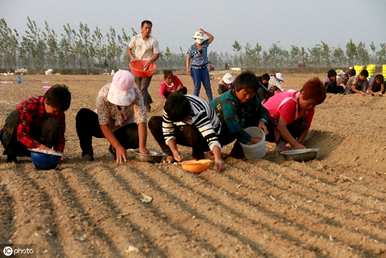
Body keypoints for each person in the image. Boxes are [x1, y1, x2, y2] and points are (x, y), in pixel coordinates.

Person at [75, 70, 149, 163]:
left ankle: (115, 149)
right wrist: (117, 145)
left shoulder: (137, 94)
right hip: (104, 127)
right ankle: (87, 152)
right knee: (83, 115)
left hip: (122, 129)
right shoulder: (104, 93)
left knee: (136, 132)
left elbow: (141, 120)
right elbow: (103, 124)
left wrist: (142, 147)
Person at [148, 93, 224, 172]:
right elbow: (168, 131)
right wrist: (174, 151)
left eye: (183, 120)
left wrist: (218, 158)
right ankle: (170, 154)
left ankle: (198, 155)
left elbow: (212, 139)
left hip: (207, 137)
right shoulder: (169, 108)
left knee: (191, 129)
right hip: (186, 131)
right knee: (154, 122)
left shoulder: (198, 112)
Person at [0, 85, 71, 162]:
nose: (57, 114)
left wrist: (58, 154)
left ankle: (42, 155)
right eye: (55, 111)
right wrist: (40, 147)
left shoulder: (59, 113)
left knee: (54, 122)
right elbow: (21, 134)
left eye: (60, 111)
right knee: (15, 115)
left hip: (39, 150)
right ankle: (11, 154)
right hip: (18, 144)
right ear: (46, 101)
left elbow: (60, 137)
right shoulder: (29, 105)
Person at [211, 71, 269, 159]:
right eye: (245, 93)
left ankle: (237, 154)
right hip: (215, 130)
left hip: (231, 129)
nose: (248, 96)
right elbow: (232, 126)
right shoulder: (228, 101)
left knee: (253, 117)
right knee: (234, 126)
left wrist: (262, 121)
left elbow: (263, 110)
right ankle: (211, 150)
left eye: (252, 93)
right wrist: (251, 139)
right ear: (237, 88)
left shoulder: (252, 99)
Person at [263, 77, 326, 151]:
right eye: (310, 103)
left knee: (302, 124)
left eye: (314, 104)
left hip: (279, 123)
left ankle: (283, 142)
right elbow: (281, 126)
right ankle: (280, 143)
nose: (311, 107)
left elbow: (306, 128)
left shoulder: (309, 109)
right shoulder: (291, 102)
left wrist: (298, 143)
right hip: (266, 122)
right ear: (302, 94)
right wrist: (295, 144)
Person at [128, 20, 160, 111]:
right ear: (141, 28)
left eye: (150, 28)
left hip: (148, 67)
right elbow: (129, 49)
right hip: (136, 66)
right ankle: (148, 102)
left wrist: (150, 61)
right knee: (138, 88)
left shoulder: (154, 41)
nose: (148, 30)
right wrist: (132, 57)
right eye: (146, 28)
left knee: (143, 87)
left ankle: (143, 107)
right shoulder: (135, 38)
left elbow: (156, 54)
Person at [186, 28, 215, 101]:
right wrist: (187, 68)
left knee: (207, 86)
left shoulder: (205, 44)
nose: (199, 40)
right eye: (198, 38)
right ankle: (195, 102)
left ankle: (211, 102)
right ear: (195, 38)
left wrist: (204, 32)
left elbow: (212, 37)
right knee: (197, 86)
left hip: (204, 68)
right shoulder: (192, 47)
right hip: (195, 69)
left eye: (201, 38)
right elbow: (188, 57)